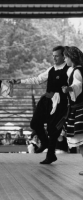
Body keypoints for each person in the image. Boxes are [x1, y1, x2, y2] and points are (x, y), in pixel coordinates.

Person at [11, 46, 69, 164]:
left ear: (64, 56)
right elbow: (37, 79)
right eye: (53, 56)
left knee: (53, 130)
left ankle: (50, 155)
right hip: (46, 100)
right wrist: (20, 81)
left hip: (59, 103)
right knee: (35, 123)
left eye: (57, 56)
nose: (54, 58)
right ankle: (44, 142)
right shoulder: (51, 69)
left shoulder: (70, 70)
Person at [59, 46, 83, 175]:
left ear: (71, 58)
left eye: (66, 56)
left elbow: (78, 85)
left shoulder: (77, 71)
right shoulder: (73, 70)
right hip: (77, 108)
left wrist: (68, 89)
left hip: (80, 109)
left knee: (81, 140)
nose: (64, 59)